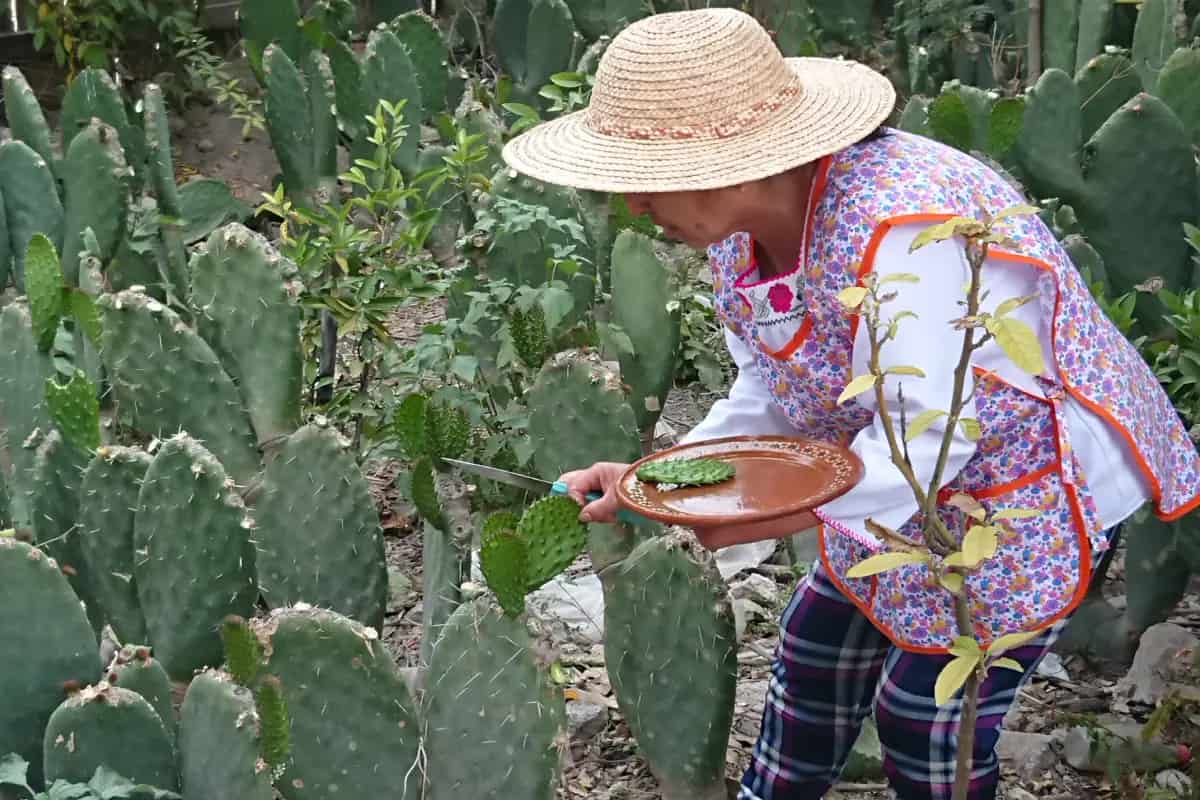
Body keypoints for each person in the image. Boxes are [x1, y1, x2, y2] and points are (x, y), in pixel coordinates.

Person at [500, 8, 1200, 799]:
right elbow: (772, 393)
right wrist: (657, 483)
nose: (634, 206)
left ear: (730, 165)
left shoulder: (904, 231)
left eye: (647, 181)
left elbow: (928, 437)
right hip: (891, 475)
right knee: (812, 657)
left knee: (924, 717)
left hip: (1027, 489)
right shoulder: (742, 234)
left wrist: (745, 520)